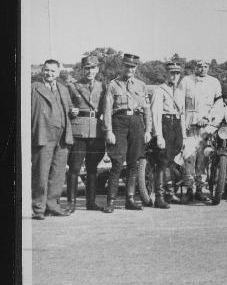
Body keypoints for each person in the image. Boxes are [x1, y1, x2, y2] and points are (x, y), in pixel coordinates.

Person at [103, 53, 152, 212]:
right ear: (122, 66)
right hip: (119, 123)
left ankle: (129, 199)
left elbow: (146, 110)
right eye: (127, 66)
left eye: (132, 67)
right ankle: (110, 201)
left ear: (136, 68)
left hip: (137, 123)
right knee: (117, 163)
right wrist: (109, 130)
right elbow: (108, 109)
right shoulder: (113, 85)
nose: (129, 69)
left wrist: (148, 130)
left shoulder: (141, 85)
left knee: (134, 163)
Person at [31, 59, 74, 219]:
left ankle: (53, 206)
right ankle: (38, 209)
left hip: (62, 137)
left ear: (58, 72)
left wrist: (73, 111)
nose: (49, 73)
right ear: (42, 70)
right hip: (43, 136)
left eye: (53, 71)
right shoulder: (34, 88)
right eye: (46, 70)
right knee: (41, 174)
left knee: (58, 174)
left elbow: (68, 108)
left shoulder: (63, 88)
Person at [65, 55, 106, 212]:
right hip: (79, 131)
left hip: (96, 131)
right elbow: (66, 105)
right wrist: (71, 110)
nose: (89, 71)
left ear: (97, 69)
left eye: (92, 68)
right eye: (87, 68)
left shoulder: (103, 87)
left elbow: (106, 109)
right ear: (83, 69)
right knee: (74, 167)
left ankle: (91, 203)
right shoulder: (73, 86)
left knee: (92, 168)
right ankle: (71, 204)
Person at [182, 58, 222, 202]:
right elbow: (180, 104)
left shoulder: (214, 82)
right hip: (189, 126)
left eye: (205, 66)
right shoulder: (186, 81)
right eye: (200, 66)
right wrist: (183, 123)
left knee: (203, 158)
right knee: (188, 157)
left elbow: (218, 105)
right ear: (195, 67)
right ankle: (189, 189)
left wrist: (208, 118)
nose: (202, 68)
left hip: (206, 127)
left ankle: (200, 189)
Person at [149, 61, 186, 208]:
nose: (175, 76)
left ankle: (170, 193)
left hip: (176, 125)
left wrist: (182, 134)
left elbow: (182, 114)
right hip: (165, 124)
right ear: (167, 74)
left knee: (171, 161)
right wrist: (158, 135)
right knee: (162, 163)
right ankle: (159, 197)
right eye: (172, 73)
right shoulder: (160, 90)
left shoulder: (179, 91)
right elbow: (156, 114)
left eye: (177, 73)